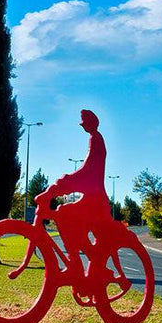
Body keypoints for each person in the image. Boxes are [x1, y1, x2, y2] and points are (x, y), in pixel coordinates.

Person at [34, 110, 118, 290]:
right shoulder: (95, 139)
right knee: (65, 214)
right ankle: (80, 265)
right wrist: (58, 187)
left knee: (65, 214)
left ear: (91, 124)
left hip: (95, 201)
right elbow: (85, 173)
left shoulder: (96, 140)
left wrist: (57, 187)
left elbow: (87, 173)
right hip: (93, 198)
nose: (83, 127)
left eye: (84, 123)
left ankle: (82, 266)